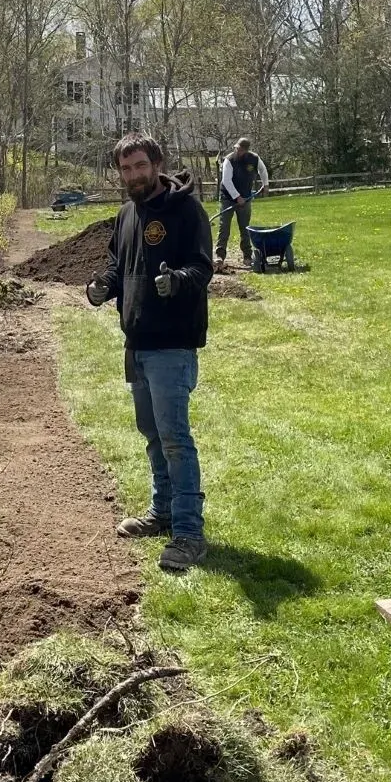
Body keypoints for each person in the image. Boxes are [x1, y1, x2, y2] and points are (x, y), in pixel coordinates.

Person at [86, 132, 213, 573]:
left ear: (156, 164)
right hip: (137, 343)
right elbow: (118, 267)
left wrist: (177, 280)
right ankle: (161, 514)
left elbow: (202, 266)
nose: (134, 175)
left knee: (176, 438)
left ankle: (189, 533)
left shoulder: (186, 210)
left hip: (172, 345)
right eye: (125, 168)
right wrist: (103, 287)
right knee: (153, 435)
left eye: (140, 165)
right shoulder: (125, 214)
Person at [215, 137, 269, 268]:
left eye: (239, 149)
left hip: (245, 198)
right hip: (228, 198)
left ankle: (247, 256)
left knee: (245, 227)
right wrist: (236, 197)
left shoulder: (254, 158)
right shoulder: (229, 160)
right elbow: (226, 181)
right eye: (236, 148)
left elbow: (262, 170)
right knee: (224, 227)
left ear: (245, 150)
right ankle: (220, 256)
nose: (237, 151)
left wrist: (265, 184)